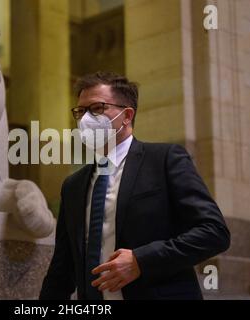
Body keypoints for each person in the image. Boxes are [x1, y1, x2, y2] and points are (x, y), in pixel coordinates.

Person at [39, 71, 230, 300]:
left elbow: (213, 232)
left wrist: (141, 261)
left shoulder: (164, 160)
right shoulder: (73, 186)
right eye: (80, 111)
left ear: (126, 115)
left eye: (97, 109)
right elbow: (63, 267)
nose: (85, 119)